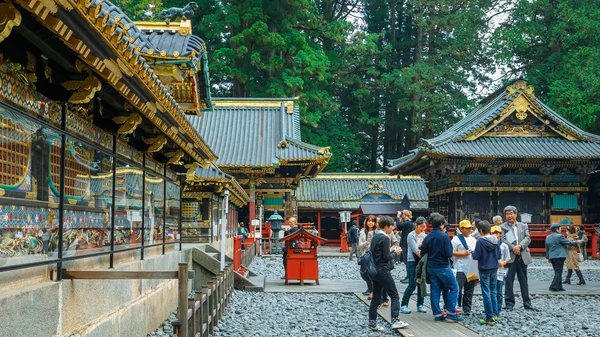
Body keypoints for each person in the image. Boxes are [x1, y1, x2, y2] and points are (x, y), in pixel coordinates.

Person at [367, 215, 409, 331]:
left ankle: (372, 323)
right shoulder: (385, 238)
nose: (393, 229)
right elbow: (386, 257)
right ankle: (395, 320)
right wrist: (396, 253)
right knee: (394, 295)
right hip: (383, 270)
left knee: (376, 297)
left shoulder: (375, 236)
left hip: (375, 270)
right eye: (392, 226)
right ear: (386, 226)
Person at [420, 213, 463, 322]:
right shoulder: (444, 236)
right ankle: (451, 311)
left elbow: (422, 253)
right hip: (442, 265)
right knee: (454, 286)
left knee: (435, 289)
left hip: (431, 266)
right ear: (441, 224)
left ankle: (437, 313)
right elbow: (449, 253)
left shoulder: (428, 237)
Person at [500, 205, 534, 311]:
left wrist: (520, 246)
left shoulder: (523, 226)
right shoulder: (503, 227)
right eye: (507, 214)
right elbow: (504, 239)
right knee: (509, 280)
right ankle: (509, 303)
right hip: (510, 257)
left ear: (515, 214)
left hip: (522, 255)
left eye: (511, 213)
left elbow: (527, 238)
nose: (509, 216)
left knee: (523, 280)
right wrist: (513, 247)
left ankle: (527, 303)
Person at [400, 216, 427, 314]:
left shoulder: (424, 236)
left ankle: (420, 304)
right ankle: (404, 304)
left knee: (421, 283)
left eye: (424, 227)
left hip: (422, 261)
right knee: (412, 284)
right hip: (412, 260)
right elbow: (416, 250)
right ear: (416, 225)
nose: (423, 229)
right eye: (421, 226)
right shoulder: (411, 235)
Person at [545, 223, 582, 291]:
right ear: (556, 229)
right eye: (560, 228)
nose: (561, 230)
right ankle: (553, 287)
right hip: (559, 256)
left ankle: (559, 287)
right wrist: (577, 241)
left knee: (557, 271)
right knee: (559, 272)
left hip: (552, 256)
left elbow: (547, 248)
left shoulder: (548, 237)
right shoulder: (559, 236)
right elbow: (568, 242)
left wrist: (548, 257)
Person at [451, 220, 477, 316]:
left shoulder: (474, 240)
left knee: (469, 289)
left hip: (472, 267)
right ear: (461, 229)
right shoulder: (456, 239)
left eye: (470, 228)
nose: (470, 229)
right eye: (467, 228)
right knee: (457, 288)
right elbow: (451, 251)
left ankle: (467, 308)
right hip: (460, 267)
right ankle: (452, 307)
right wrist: (463, 254)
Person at [491, 225, 511, 316]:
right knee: (490, 291)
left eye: (497, 233)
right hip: (490, 270)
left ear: (500, 234)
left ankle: (498, 308)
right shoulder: (489, 244)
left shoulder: (504, 246)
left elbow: (508, 258)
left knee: (498, 291)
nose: (495, 235)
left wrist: (503, 262)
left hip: (499, 270)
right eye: (493, 233)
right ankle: (490, 308)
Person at [359, 215, 377, 298]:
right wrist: (367, 242)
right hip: (365, 255)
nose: (370, 222)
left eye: (372, 221)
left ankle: (373, 291)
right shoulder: (362, 232)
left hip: (375, 255)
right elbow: (360, 245)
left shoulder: (377, 232)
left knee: (373, 272)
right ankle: (370, 290)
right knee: (366, 272)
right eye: (369, 221)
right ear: (366, 222)